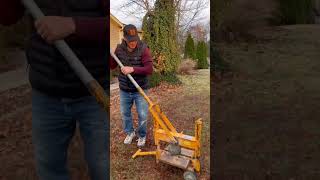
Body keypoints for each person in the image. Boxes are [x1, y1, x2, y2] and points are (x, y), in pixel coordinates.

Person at [0, 0, 109, 180]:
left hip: (94, 91)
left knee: (103, 167)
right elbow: (7, 17)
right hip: (46, 91)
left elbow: (110, 26)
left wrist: (75, 26)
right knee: (49, 167)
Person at [110, 24, 153, 147]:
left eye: (135, 40)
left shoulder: (143, 48)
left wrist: (132, 69)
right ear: (124, 39)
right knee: (125, 114)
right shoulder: (119, 49)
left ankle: (142, 135)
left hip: (140, 89)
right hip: (124, 89)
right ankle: (130, 132)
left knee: (143, 114)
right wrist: (111, 54)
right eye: (130, 40)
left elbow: (149, 69)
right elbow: (112, 66)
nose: (133, 43)